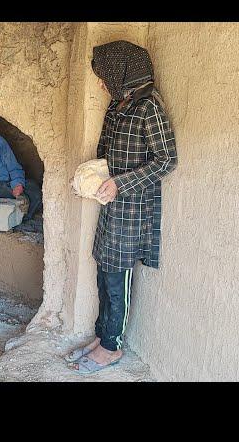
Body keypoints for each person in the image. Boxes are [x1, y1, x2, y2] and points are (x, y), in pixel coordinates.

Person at [66, 40, 178, 374]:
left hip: (132, 207)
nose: (101, 83)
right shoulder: (119, 105)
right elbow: (107, 154)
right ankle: (103, 337)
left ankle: (112, 347)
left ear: (122, 71)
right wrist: (90, 178)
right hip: (111, 201)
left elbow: (166, 160)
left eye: (105, 76)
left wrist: (119, 183)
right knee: (103, 269)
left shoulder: (149, 107)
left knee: (118, 278)